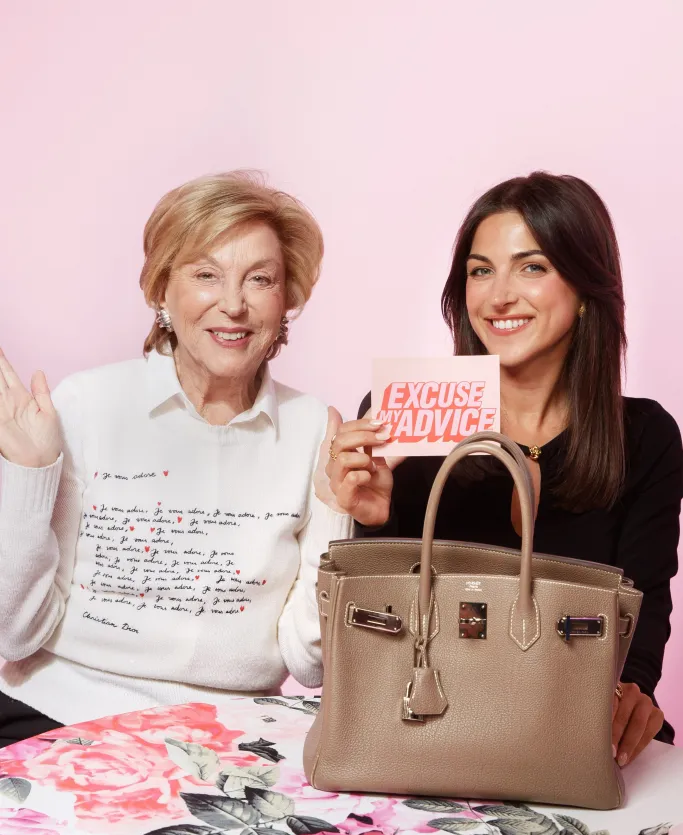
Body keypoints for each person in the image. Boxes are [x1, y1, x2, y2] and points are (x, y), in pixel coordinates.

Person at [323, 171, 683, 766]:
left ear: (587, 287)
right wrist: (371, 521)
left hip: (574, 732)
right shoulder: (406, 417)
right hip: (429, 728)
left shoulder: (644, 437)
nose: (498, 297)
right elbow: (380, 629)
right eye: (480, 269)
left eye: (532, 266)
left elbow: (646, 601)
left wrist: (635, 690)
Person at [0, 171, 351, 746]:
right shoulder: (86, 404)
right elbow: (15, 634)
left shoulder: (316, 428)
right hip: (57, 714)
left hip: (235, 738)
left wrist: (334, 512)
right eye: (206, 275)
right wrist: (30, 473)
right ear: (162, 290)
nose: (233, 305)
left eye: (259, 279)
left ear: (287, 300)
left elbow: (308, 664)